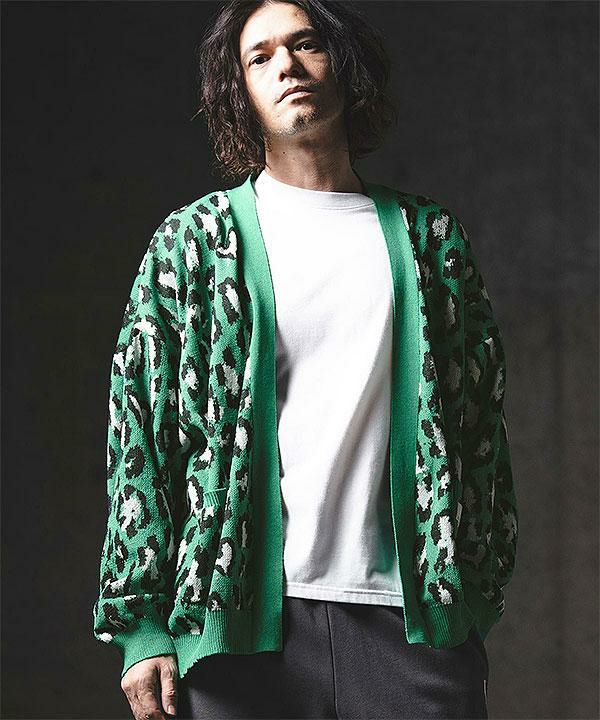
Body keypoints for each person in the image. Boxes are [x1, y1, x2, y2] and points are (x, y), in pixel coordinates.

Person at [92, 1, 519, 718]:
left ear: (343, 66)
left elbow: (480, 428)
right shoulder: (194, 246)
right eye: (259, 57)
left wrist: (470, 597)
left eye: (306, 44)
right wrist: (142, 628)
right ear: (240, 91)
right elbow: (140, 434)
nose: (286, 65)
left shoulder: (430, 242)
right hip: (238, 629)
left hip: (407, 626)